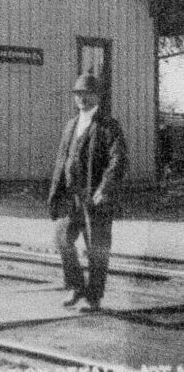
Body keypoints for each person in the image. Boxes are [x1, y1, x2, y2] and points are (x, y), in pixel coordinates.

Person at [47, 73, 127, 312]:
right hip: (72, 199)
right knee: (62, 239)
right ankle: (75, 287)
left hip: (95, 198)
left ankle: (94, 298)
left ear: (97, 96)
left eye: (87, 94)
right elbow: (62, 161)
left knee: (97, 248)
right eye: (78, 94)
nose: (82, 98)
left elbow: (118, 160)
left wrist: (105, 188)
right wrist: (56, 193)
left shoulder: (108, 125)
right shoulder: (71, 125)